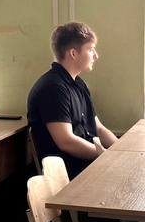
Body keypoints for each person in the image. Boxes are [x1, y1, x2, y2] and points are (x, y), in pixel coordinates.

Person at [27, 22, 117, 179]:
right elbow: (66, 141)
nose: (95, 55)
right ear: (73, 54)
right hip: (70, 175)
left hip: (88, 165)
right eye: (90, 49)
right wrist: (107, 157)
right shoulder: (52, 88)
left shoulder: (78, 84)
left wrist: (120, 151)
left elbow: (99, 128)